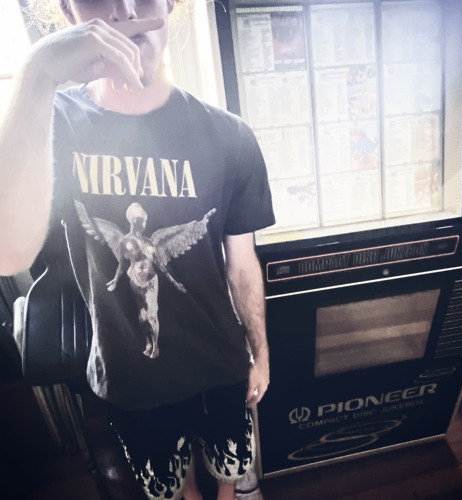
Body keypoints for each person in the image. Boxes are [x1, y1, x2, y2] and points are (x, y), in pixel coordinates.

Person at [0, 1, 275, 499]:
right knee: (172, 489)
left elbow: (241, 265)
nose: (125, 9)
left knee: (230, 474)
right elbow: (7, 254)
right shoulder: (52, 126)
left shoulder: (229, 135)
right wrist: (37, 73)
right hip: (131, 380)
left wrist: (260, 350)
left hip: (220, 364)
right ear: (68, 11)